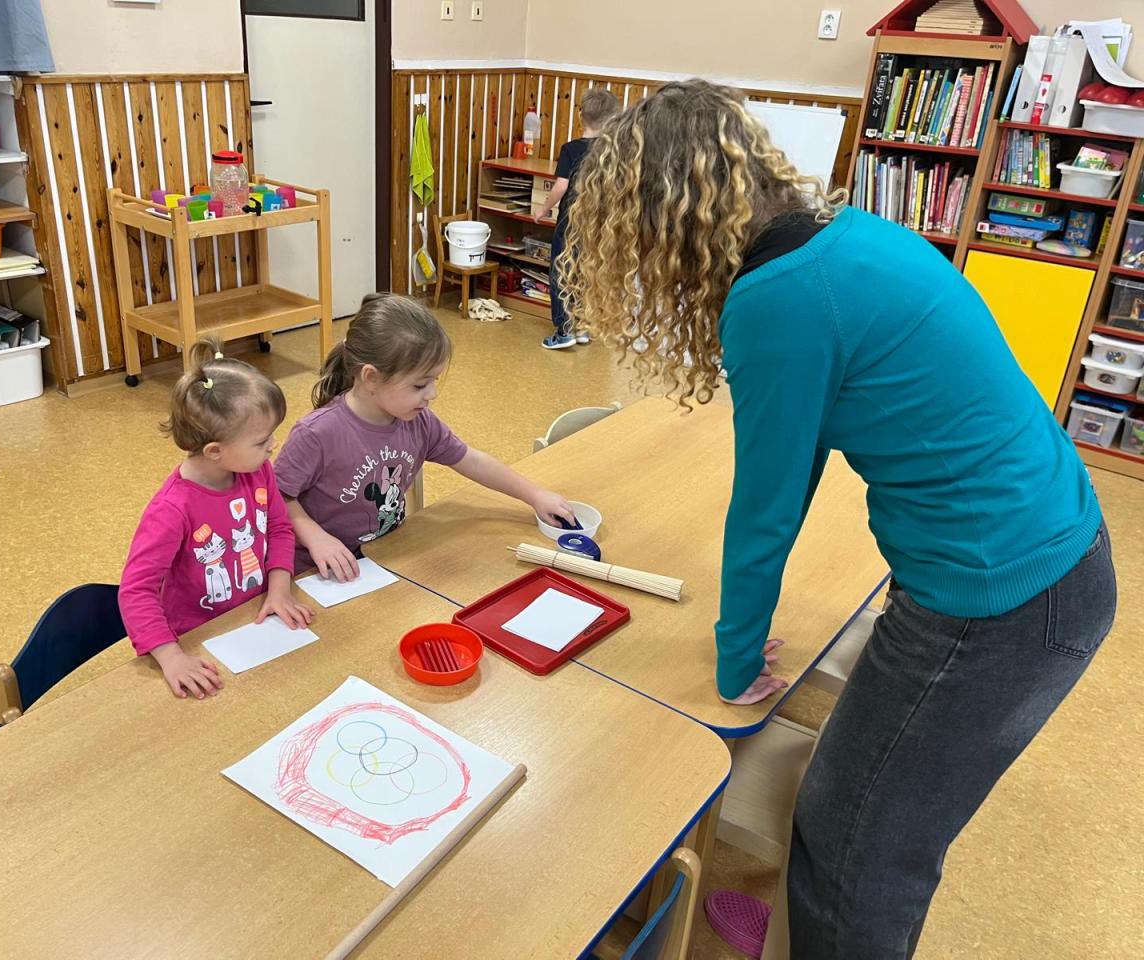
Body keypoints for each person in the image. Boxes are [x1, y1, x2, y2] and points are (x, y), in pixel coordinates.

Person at [557, 78, 1115, 958]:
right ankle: (801, 927)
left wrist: (737, 657)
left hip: (998, 598)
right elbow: (801, 460)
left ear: (668, 220)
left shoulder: (775, 297)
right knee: (864, 814)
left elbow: (766, 507)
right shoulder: (851, 235)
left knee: (855, 848)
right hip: (1049, 548)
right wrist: (748, 631)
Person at [275, 293, 575, 581]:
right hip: (315, 573)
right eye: (420, 385)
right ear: (371, 378)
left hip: (383, 559)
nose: (432, 394)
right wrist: (315, 537)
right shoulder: (316, 434)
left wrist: (535, 495)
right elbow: (276, 495)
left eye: (433, 381)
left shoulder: (418, 421)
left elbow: (471, 460)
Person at [120, 336, 314, 700]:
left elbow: (278, 528)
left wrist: (279, 589)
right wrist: (172, 657)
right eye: (261, 441)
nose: (272, 445)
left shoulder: (258, 470)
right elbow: (136, 591)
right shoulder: (172, 509)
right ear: (214, 451)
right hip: (198, 640)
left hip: (253, 619)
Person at [534, 86, 619, 350]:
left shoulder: (571, 149)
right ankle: (582, 326)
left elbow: (561, 187)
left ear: (581, 116)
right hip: (599, 224)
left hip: (571, 223)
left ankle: (564, 330)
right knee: (586, 272)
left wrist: (544, 209)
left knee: (561, 272)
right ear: (611, 118)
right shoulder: (612, 151)